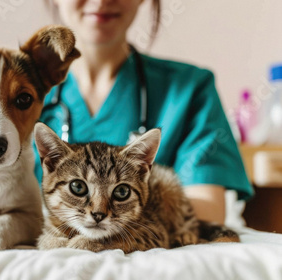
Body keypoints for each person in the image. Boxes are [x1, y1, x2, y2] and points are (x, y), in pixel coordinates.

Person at [34, 0, 253, 224]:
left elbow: (208, 213)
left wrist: (113, 225)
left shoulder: (190, 89)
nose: (100, 2)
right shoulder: (15, 92)